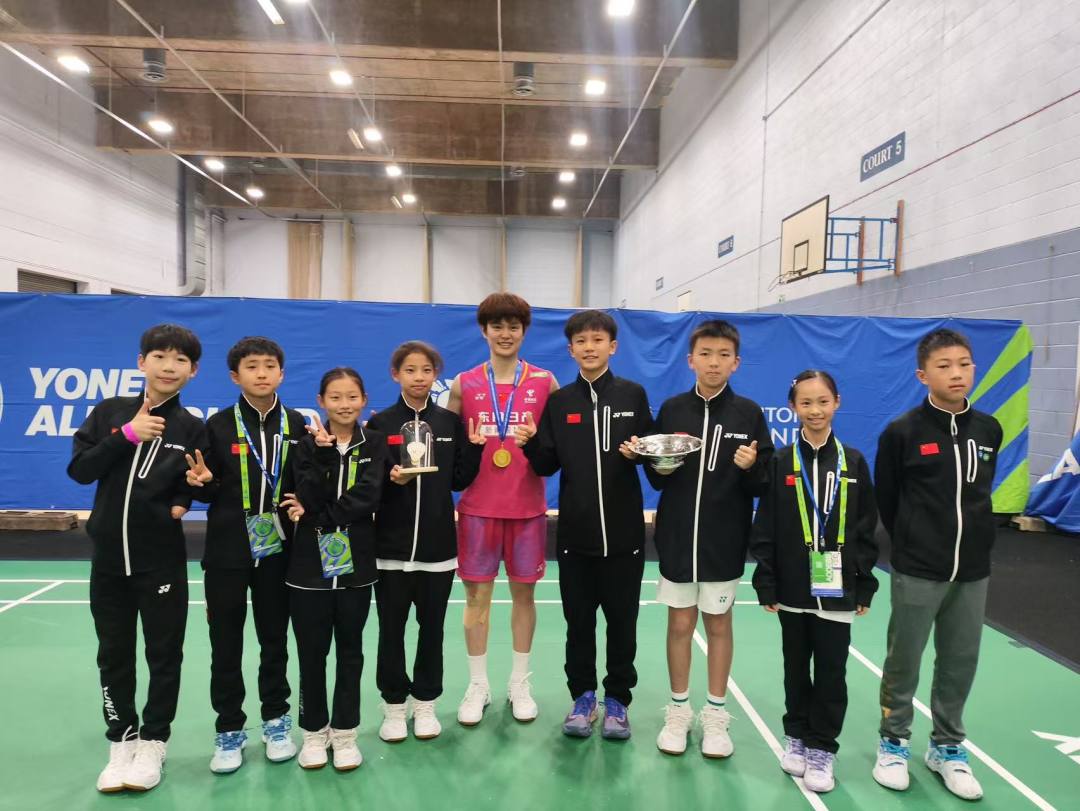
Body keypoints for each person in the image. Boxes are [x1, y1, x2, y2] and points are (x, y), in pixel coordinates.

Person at [67, 323, 207, 793]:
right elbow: (80, 470)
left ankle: (154, 742)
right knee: (113, 654)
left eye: (180, 359)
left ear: (193, 370)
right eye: (160, 356)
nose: (169, 366)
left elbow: (197, 482)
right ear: (141, 362)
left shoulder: (192, 428)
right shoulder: (109, 412)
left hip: (160, 561)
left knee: (164, 655)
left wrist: (189, 495)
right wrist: (126, 435)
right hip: (108, 561)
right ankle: (121, 740)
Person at [871, 328, 1002, 801]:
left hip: (973, 570)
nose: (956, 373)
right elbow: (888, 499)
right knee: (903, 659)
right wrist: (911, 545)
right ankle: (893, 742)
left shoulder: (988, 429)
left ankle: (946, 747)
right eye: (944, 366)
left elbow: (980, 494)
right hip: (918, 569)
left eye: (964, 364)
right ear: (923, 375)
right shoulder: (902, 432)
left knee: (959, 661)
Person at [521, 309, 654, 740]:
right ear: (571, 350)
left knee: (622, 625)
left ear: (612, 346)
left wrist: (644, 455)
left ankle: (617, 700)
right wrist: (528, 444)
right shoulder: (560, 402)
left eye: (598, 340)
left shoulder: (633, 395)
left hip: (625, 538)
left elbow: (653, 454)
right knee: (578, 625)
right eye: (581, 341)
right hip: (575, 538)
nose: (590, 347)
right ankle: (582, 697)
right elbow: (546, 464)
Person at [646, 319, 773, 759]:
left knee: (719, 624)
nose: (713, 362)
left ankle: (716, 715)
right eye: (705, 354)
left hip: (725, 540)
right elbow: (657, 476)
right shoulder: (672, 410)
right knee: (680, 624)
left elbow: (763, 482)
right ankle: (678, 711)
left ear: (736, 363)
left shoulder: (749, 414)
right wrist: (660, 466)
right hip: (677, 538)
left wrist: (750, 467)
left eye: (723, 355)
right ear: (690, 360)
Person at [750, 369, 879, 792]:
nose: (815, 410)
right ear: (793, 408)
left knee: (831, 671)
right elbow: (766, 526)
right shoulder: (780, 462)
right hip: (792, 586)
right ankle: (797, 736)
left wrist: (865, 583)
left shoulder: (853, 462)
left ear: (836, 403)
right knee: (794, 667)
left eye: (823, 401)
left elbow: (865, 527)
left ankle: (823, 746)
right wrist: (766, 581)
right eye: (806, 403)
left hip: (838, 589)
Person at [186, 336, 308, 773]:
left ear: (282, 373)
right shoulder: (217, 426)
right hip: (226, 553)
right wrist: (204, 482)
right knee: (225, 645)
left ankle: (276, 721)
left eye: (269, 366)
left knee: (275, 641)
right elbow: (206, 488)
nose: (261, 373)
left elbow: (306, 481)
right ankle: (229, 730)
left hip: (279, 553)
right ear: (235, 376)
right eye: (252, 366)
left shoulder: (297, 425)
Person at [447, 293, 558, 725]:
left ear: (524, 332)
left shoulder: (545, 382)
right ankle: (478, 684)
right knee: (477, 598)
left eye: (513, 326)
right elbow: (446, 444)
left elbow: (559, 444)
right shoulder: (464, 384)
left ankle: (518, 682)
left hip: (527, 508)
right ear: (484, 331)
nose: (505, 334)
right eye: (497, 326)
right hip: (478, 509)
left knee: (523, 596)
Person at [366, 341, 483, 742]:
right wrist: (389, 481)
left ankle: (426, 702)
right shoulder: (379, 425)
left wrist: (476, 450)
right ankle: (394, 706)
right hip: (390, 551)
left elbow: (458, 479)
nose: (419, 378)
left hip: (437, 550)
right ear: (395, 374)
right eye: (410, 370)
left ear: (436, 376)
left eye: (427, 370)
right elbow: (368, 485)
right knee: (391, 630)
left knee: (432, 630)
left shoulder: (449, 423)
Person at [288, 368, 387, 772]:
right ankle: (314, 732)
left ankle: (345, 733)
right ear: (321, 401)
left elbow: (369, 496)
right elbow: (305, 491)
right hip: (307, 566)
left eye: (351, 397)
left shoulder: (375, 443)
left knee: (350, 651)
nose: (344, 405)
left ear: (363, 400)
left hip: (357, 564)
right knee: (311, 654)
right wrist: (324, 456)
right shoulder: (305, 445)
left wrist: (318, 516)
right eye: (335, 397)